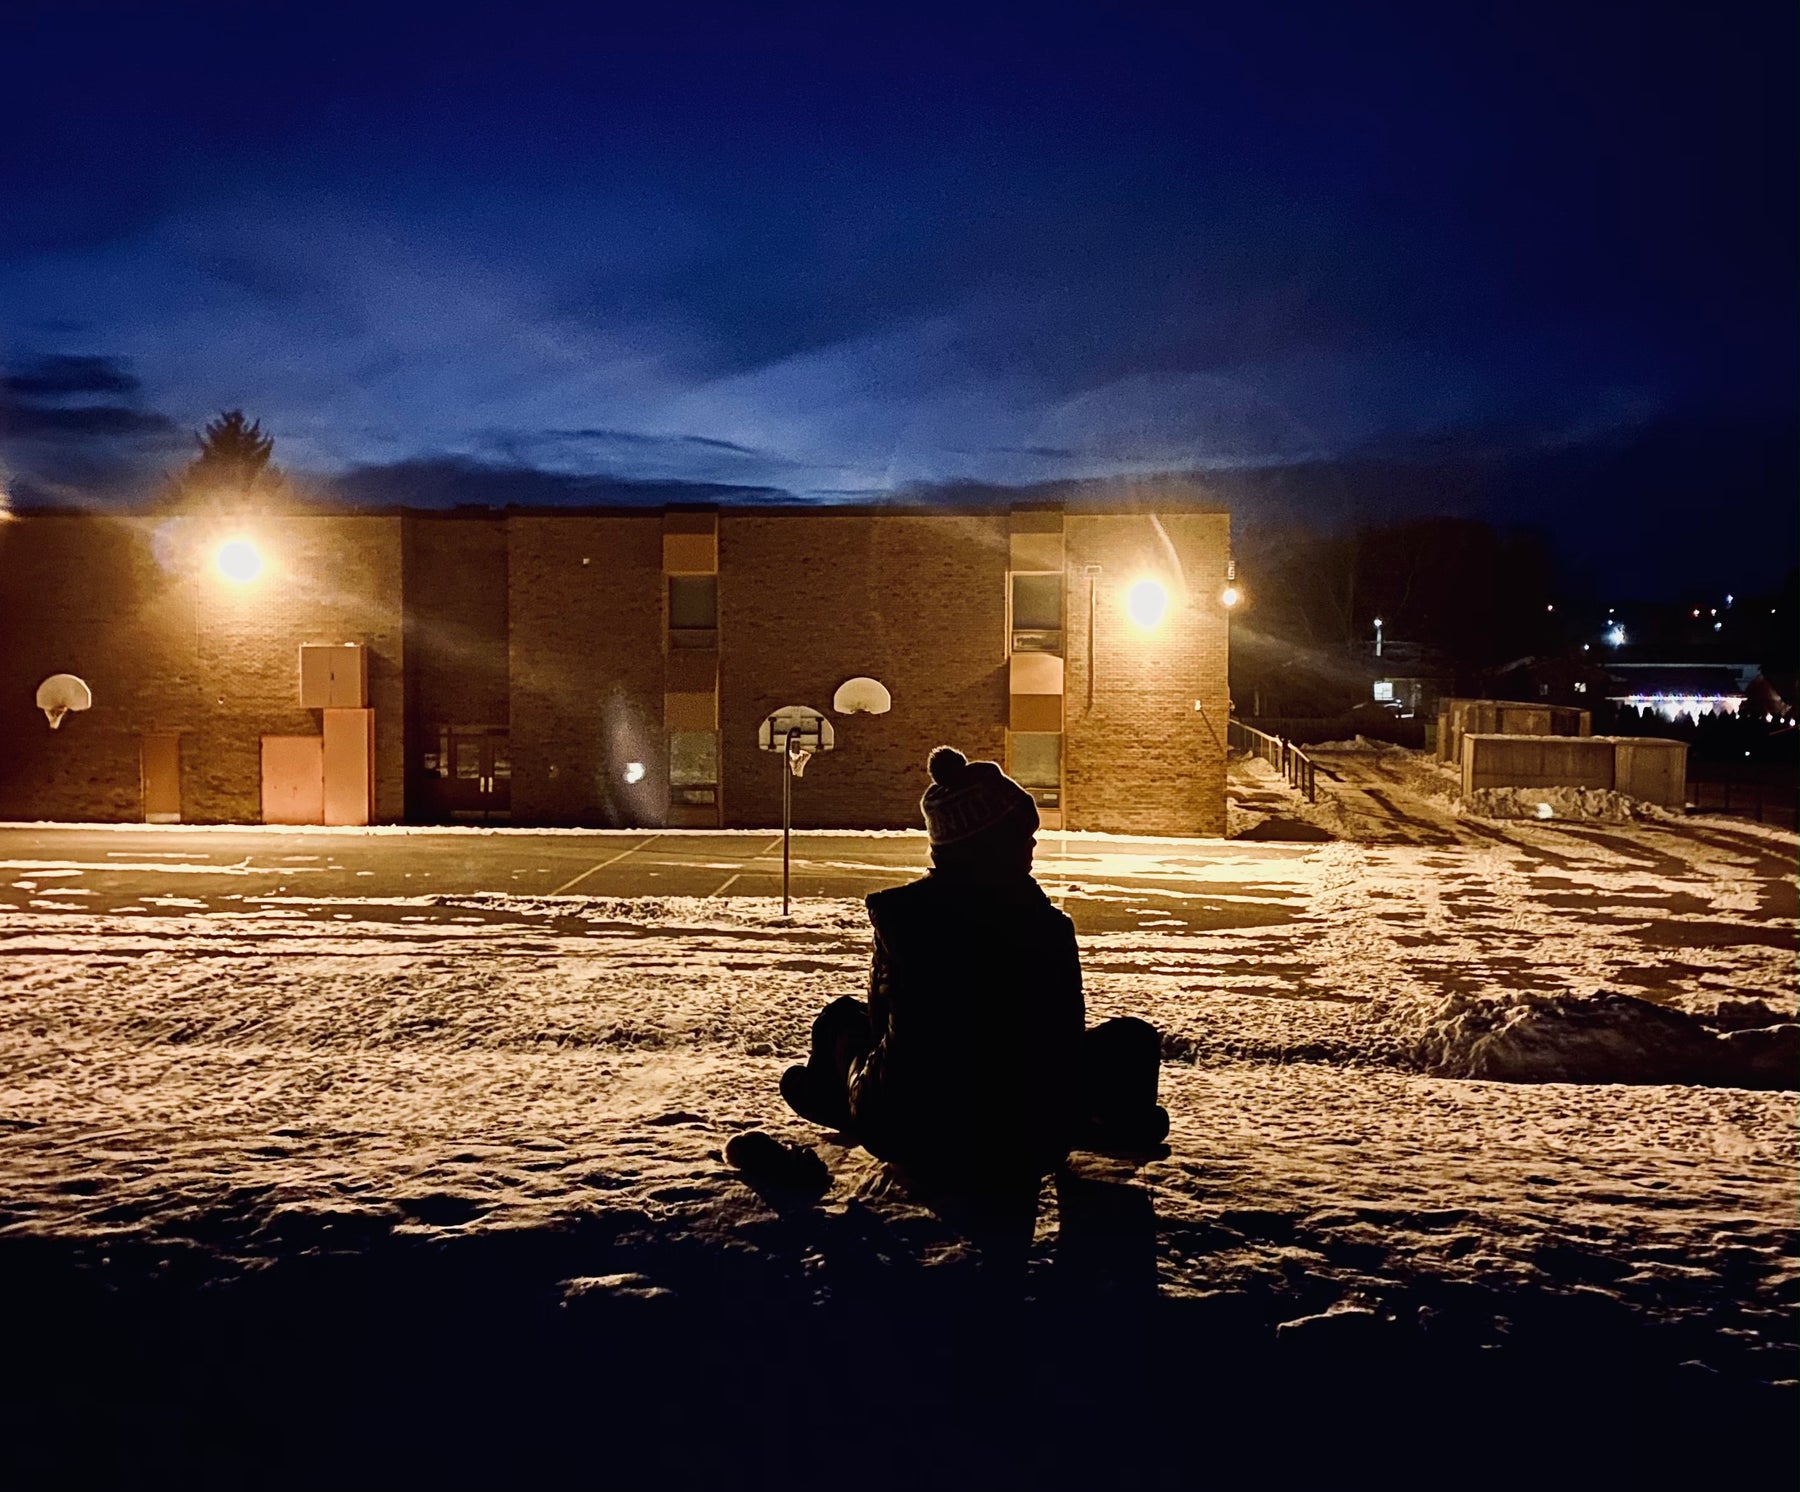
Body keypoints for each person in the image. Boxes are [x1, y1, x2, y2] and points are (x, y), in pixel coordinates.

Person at [779, 745, 1168, 1194]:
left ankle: (831, 1098)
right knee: (1132, 1038)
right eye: (1024, 835)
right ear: (994, 846)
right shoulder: (1046, 926)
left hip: (907, 1133)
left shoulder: (900, 918)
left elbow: (884, 1023)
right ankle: (1115, 1123)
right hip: (1028, 1143)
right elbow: (1062, 1037)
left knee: (840, 1021)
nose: (1034, 844)